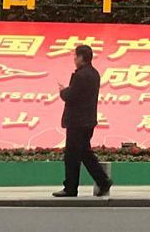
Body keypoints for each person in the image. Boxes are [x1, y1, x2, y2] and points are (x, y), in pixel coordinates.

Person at [53, 44, 113, 197]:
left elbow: (71, 96)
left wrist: (62, 91)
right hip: (88, 121)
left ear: (81, 58)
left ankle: (71, 188)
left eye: (75, 56)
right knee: (85, 153)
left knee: (72, 156)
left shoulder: (80, 75)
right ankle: (103, 180)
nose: (74, 59)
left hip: (76, 121)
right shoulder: (94, 74)